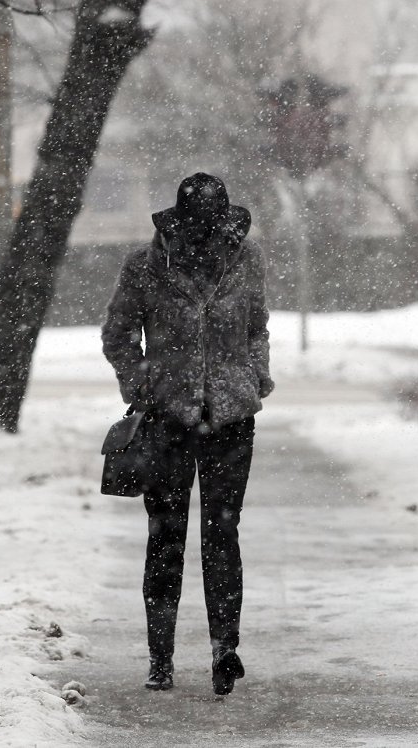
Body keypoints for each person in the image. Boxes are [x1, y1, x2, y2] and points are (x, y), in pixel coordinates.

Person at [101, 172, 274, 696]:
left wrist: (253, 378)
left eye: (214, 225)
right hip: (166, 420)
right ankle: (161, 658)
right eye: (196, 224)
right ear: (177, 221)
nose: (206, 235)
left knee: (223, 535)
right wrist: (142, 384)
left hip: (230, 420)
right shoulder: (146, 267)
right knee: (166, 538)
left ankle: (226, 650)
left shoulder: (246, 260)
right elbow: (118, 334)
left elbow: (257, 327)